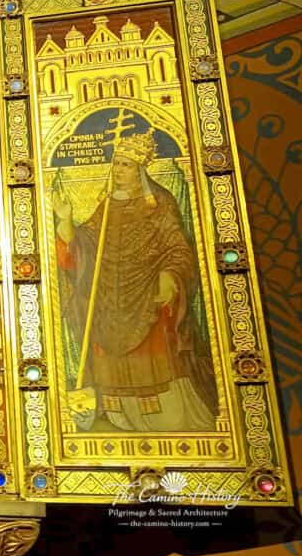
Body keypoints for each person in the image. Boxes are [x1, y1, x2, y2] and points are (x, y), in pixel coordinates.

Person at [51, 128, 217, 431]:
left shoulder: (160, 202)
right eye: (116, 164)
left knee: (153, 356)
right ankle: (118, 415)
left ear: (140, 169)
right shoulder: (108, 205)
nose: (118, 171)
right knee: (109, 359)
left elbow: (177, 246)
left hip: (147, 295)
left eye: (126, 165)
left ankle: (167, 419)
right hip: (108, 299)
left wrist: (169, 275)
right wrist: (66, 222)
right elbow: (87, 245)